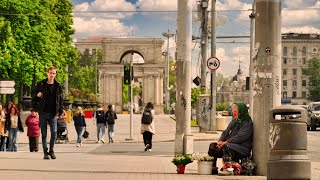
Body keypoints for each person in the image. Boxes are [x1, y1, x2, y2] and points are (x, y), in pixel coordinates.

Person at [208, 102, 253, 175]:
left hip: (242, 149)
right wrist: (220, 141)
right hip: (230, 145)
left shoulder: (247, 122)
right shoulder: (234, 121)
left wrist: (226, 142)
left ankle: (228, 169)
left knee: (226, 147)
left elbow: (240, 137)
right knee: (213, 146)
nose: (233, 113)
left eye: (235, 112)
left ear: (241, 112)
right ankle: (213, 168)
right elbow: (225, 132)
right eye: (233, 111)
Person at [31, 66, 63, 160]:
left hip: (53, 112)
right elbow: (33, 93)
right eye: (50, 73)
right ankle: (45, 152)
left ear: (55, 74)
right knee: (44, 133)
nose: (52, 75)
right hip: (43, 111)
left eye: (53, 73)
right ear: (47, 73)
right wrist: (37, 95)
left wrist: (60, 111)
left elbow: (60, 99)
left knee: (54, 132)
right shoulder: (41, 84)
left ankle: (51, 151)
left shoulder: (58, 86)